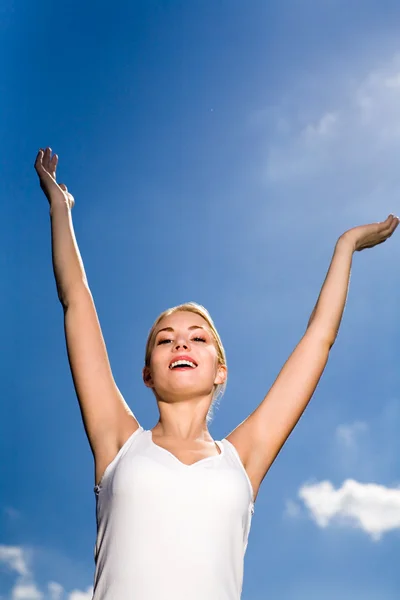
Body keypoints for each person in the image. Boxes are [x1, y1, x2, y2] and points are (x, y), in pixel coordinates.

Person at [34, 147, 399, 600]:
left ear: (219, 371)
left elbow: (317, 341)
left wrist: (345, 246)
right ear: (147, 374)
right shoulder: (117, 442)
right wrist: (59, 209)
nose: (182, 343)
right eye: (165, 340)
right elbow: (76, 300)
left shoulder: (243, 459)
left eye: (198, 338)